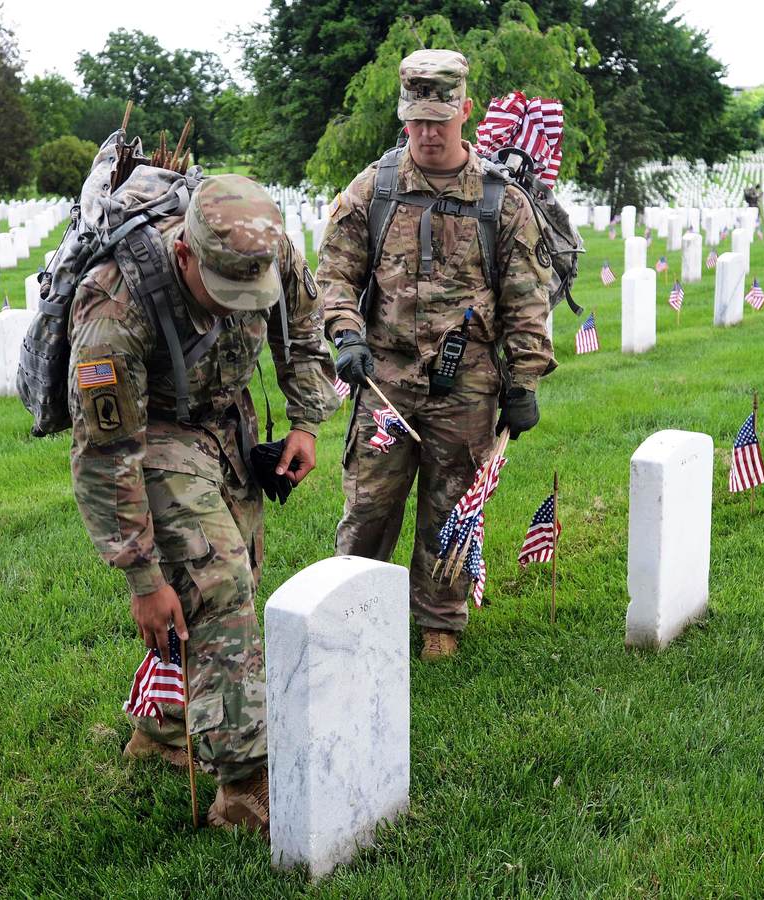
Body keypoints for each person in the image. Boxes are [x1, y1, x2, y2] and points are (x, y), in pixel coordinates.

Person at [66, 174, 339, 834]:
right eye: (223, 293)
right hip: (154, 429)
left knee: (233, 580)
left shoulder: (266, 249)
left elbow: (303, 328)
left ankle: (163, 727)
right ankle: (244, 787)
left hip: (227, 420)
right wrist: (143, 577)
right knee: (218, 581)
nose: (237, 306)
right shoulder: (115, 311)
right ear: (186, 254)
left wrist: (305, 421)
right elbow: (105, 456)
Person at [316, 49, 555, 661]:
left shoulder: (501, 201)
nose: (426, 133)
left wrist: (524, 381)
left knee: (451, 504)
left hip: (467, 384)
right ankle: (350, 610)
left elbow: (527, 298)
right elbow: (335, 273)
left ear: (465, 111)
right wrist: (346, 333)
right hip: (385, 380)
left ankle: (440, 620)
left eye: (438, 121)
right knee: (369, 505)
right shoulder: (375, 189)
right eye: (416, 120)